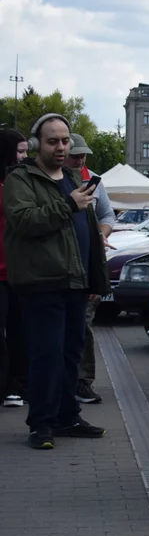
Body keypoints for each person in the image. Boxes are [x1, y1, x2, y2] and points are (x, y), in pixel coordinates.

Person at [2, 113, 108, 449]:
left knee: (70, 354)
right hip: (42, 281)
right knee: (46, 354)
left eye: (64, 140)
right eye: (53, 141)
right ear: (36, 145)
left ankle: (67, 416)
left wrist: (95, 280)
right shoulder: (21, 179)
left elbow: (89, 232)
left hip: (75, 282)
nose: (61, 147)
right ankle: (41, 424)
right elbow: (24, 221)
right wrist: (68, 204)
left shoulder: (74, 177)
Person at [66, 133, 116, 405]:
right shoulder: (50, 182)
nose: (81, 159)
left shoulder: (94, 180)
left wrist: (101, 233)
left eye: (83, 154)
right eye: (76, 155)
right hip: (60, 267)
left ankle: (82, 381)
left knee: (84, 324)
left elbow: (108, 215)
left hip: (89, 265)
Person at [0, 128, 29, 409]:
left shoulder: (24, 183)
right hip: (1, 272)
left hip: (20, 270)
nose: (24, 157)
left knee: (20, 331)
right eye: (20, 151)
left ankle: (17, 386)